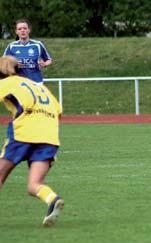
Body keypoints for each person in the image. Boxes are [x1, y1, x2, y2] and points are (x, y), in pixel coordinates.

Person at [0, 56, 64, 226]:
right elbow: (59, 112)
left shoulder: (6, 83)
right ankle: (52, 199)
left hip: (24, 134)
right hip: (49, 136)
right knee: (34, 185)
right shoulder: (38, 86)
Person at [3, 19, 52, 84]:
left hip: (36, 82)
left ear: (29, 30)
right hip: (19, 83)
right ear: (16, 32)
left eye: (25, 28)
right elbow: (4, 63)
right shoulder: (11, 46)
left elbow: (49, 60)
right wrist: (13, 65)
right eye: (19, 29)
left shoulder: (38, 45)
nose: (22, 30)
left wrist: (45, 64)